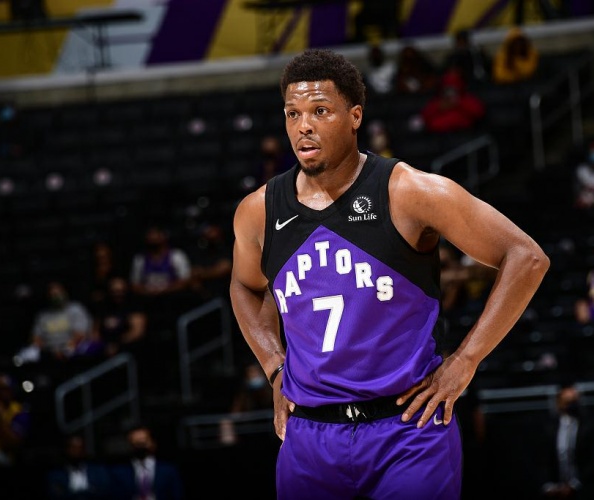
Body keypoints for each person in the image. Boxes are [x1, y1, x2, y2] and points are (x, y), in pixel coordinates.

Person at [229, 48, 550, 499]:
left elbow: (526, 257)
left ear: (355, 116)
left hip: (407, 429)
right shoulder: (259, 211)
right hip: (309, 437)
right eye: (293, 113)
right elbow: (245, 286)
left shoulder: (409, 191)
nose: (304, 126)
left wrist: (466, 360)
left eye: (320, 111)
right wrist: (274, 366)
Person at [537, 383, 594, 499]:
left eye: (574, 401)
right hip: (557, 489)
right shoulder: (550, 428)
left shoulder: (589, 427)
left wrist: (574, 485)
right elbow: (544, 460)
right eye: (567, 402)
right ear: (559, 403)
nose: (571, 406)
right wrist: (549, 486)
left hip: (586, 488)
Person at [20, 281, 98, 364]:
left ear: (64, 293)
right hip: (49, 352)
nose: (56, 297)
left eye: (58, 294)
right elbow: (36, 337)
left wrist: (64, 349)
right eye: (52, 295)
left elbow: (80, 334)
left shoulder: (75, 309)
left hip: (72, 348)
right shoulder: (43, 315)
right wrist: (47, 350)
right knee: (27, 354)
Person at [108, 423, 184, 500]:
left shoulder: (168, 470)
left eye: (144, 442)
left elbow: (177, 495)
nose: (141, 447)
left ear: (153, 443)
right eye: (136, 443)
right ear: (130, 445)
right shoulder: (119, 473)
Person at [420, 67, 486, 134]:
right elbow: (425, 118)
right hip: (439, 135)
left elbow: (479, 112)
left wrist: (458, 103)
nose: (450, 91)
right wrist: (439, 107)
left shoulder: (467, 99)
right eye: (448, 88)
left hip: (465, 134)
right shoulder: (438, 102)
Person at [45, 433, 112, 500]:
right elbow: (56, 496)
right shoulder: (56, 475)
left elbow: (105, 492)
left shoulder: (98, 471)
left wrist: (72, 492)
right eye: (73, 448)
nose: (76, 451)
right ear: (67, 450)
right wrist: (89, 490)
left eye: (80, 448)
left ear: (84, 450)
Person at [0, 372, 30, 466]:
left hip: (4, 454)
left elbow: (13, 443)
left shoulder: (19, 411)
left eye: (5, 389)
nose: (1, 392)